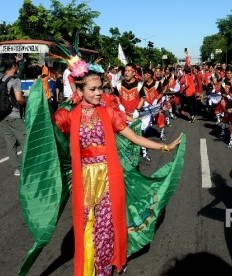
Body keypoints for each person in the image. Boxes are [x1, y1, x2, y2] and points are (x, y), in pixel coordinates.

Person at [52, 68, 182, 275]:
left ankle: (104, 268)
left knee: (104, 227)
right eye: (92, 89)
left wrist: (164, 147)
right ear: (80, 90)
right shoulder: (70, 116)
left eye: (100, 89)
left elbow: (135, 138)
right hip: (84, 180)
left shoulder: (109, 113)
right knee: (87, 226)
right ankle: (89, 267)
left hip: (108, 178)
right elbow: (52, 133)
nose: (98, 93)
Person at [0, 57, 26, 176]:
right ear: (14, 67)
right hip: (14, 115)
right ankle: (27, 166)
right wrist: (27, 103)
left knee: (10, 143)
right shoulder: (15, 80)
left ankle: (17, 168)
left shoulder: (1, 80)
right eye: (17, 65)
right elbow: (19, 98)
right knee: (26, 140)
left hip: (2, 116)